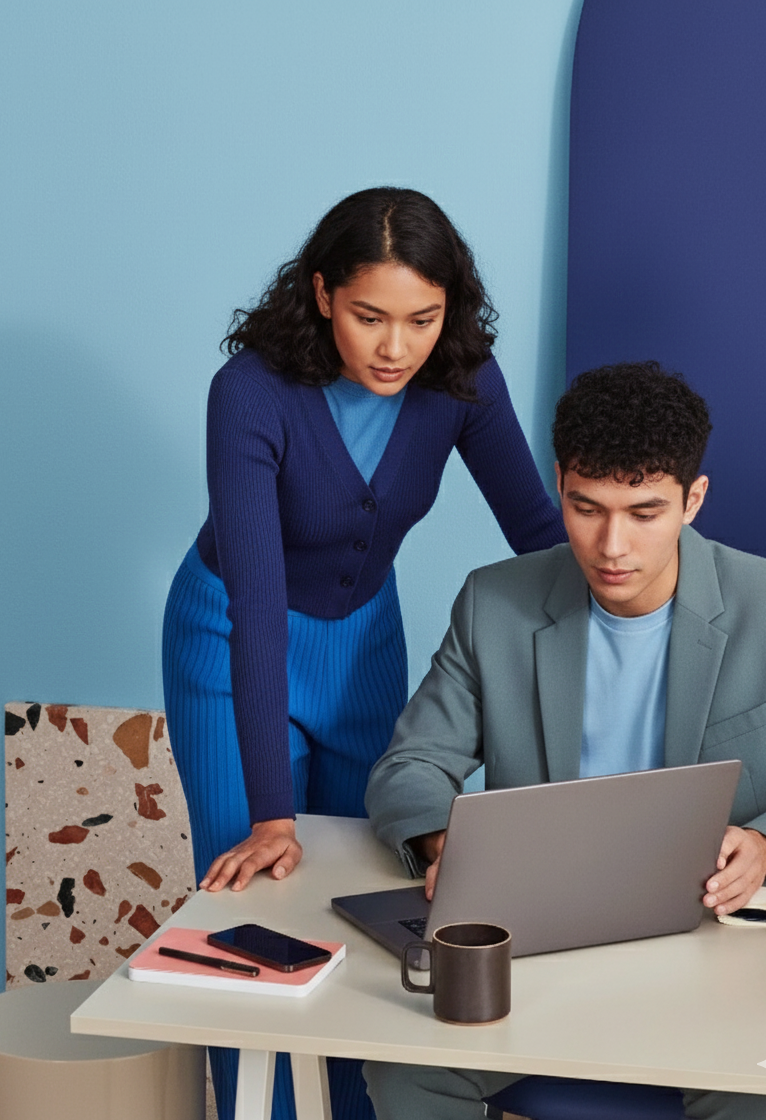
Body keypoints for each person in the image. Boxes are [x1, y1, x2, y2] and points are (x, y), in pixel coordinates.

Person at [161, 186, 565, 1120]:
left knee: (371, 891)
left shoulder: (462, 378)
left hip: (363, 641)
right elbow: (259, 606)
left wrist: (635, 596)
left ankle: (352, 1105)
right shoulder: (251, 394)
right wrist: (270, 813)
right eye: (369, 317)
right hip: (228, 635)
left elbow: (534, 530)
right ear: (321, 296)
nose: (396, 347)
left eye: (422, 318)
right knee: (251, 906)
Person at [363, 361, 766, 1120]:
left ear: (694, 500)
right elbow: (412, 764)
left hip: (713, 949)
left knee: (763, 1083)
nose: (611, 545)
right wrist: (439, 842)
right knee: (403, 1069)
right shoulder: (494, 603)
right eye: (586, 508)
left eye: (644, 512)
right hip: (534, 947)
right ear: (559, 485)